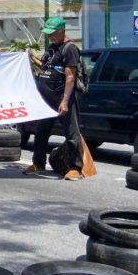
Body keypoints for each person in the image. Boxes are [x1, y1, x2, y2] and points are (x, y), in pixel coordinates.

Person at [24, 17, 85, 180]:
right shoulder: (51, 48)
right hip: (46, 100)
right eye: (48, 33)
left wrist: (65, 101)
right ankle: (38, 163)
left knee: (71, 134)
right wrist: (31, 58)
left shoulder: (70, 48)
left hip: (62, 99)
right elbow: (46, 67)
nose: (49, 36)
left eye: (52, 33)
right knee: (41, 132)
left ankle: (75, 168)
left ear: (62, 31)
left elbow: (70, 77)